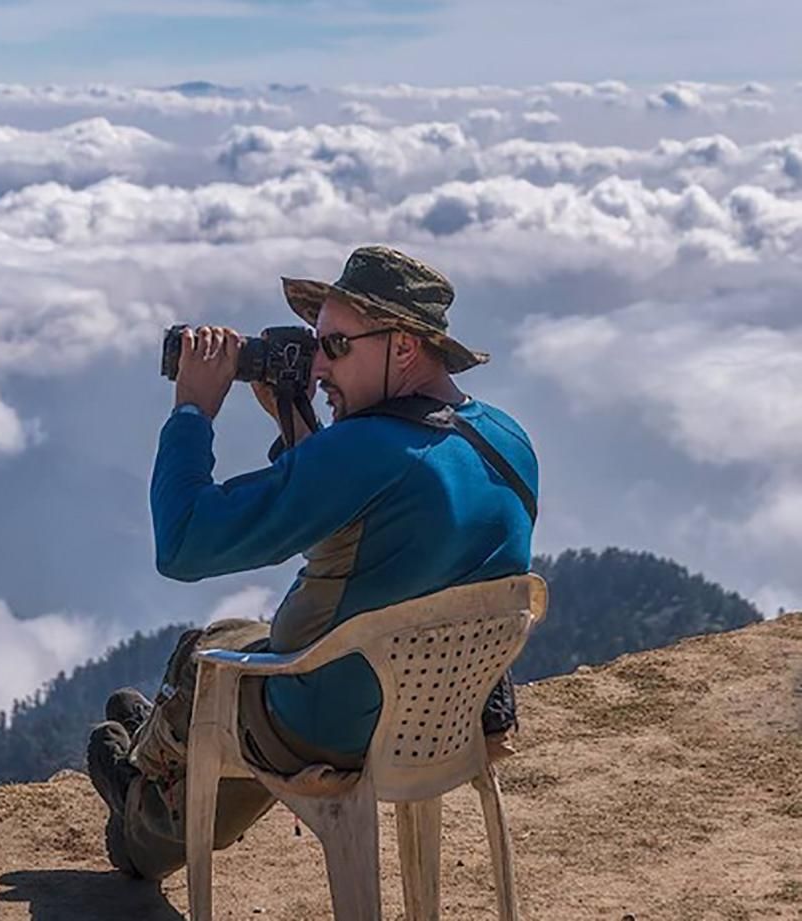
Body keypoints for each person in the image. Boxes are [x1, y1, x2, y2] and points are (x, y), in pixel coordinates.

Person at [87, 245, 538, 881]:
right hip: (445, 715)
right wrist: (298, 422)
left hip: (337, 723)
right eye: (315, 343)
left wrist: (192, 410)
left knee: (211, 653)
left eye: (336, 346)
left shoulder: (366, 451)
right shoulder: (504, 435)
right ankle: (157, 753)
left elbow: (184, 545)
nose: (320, 364)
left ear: (403, 346)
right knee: (225, 653)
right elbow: (359, 535)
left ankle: (140, 816)